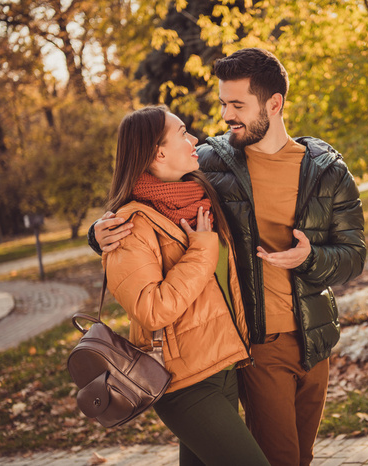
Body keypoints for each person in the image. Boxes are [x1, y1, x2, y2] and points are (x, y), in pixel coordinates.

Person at [89, 48, 366, 466]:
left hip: (315, 337)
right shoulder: (214, 162)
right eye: (223, 103)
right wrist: (98, 234)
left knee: (299, 457)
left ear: (274, 104)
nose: (225, 115)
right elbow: (143, 193)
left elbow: (353, 255)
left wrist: (310, 259)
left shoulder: (326, 169)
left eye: (237, 105)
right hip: (256, 343)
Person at [100, 105, 270, 466]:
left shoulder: (197, 200)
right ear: (157, 152)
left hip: (224, 367)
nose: (194, 139)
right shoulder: (129, 226)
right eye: (182, 133)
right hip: (186, 381)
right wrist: (203, 250)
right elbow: (152, 309)